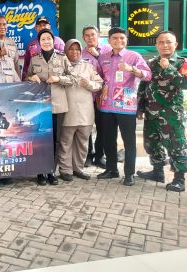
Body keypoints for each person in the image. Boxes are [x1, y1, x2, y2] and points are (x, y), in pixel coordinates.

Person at [136, 31, 187, 192]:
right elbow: (144, 85)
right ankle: (157, 172)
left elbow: (186, 84)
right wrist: (140, 107)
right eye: (161, 42)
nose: (165, 45)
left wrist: (169, 68)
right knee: (151, 143)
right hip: (151, 113)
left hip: (171, 115)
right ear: (156, 45)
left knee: (176, 145)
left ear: (176, 45)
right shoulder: (151, 62)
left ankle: (179, 179)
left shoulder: (182, 63)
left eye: (168, 42)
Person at [97, 27, 151, 186]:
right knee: (108, 139)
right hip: (107, 105)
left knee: (129, 141)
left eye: (122, 38)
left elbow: (148, 75)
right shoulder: (103, 57)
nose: (118, 41)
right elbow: (98, 76)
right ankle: (111, 169)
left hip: (126, 106)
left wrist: (132, 69)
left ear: (126, 40)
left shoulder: (134, 56)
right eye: (114, 38)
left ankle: (129, 174)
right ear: (109, 40)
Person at [26, 29, 74, 186]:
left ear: (53, 41)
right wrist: (31, 77)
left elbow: (73, 78)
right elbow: (27, 77)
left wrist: (59, 79)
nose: (46, 42)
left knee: (55, 140)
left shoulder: (62, 57)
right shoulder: (34, 59)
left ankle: (51, 171)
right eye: (43, 39)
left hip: (58, 105)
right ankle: (40, 171)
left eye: (49, 39)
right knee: (40, 139)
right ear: (39, 42)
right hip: (40, 105)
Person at [58, 39, 103, 181]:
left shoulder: (88, 66)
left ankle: (78, 168)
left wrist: (88, 83)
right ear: (66, 51)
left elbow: (99, 84)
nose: (74, 52)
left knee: (82, 142)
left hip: (85, 111)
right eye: (71, 49)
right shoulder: (60, 66)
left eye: (77, 49)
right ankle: (65, 169)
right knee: (66, 142)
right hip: (67, 110)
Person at [81, 25, 112, 168]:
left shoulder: (108, 50)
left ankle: (100, 156)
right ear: (83, 38)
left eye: (92, 34)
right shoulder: (81, 53)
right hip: (87, 96)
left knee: (102, 127)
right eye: (87, 35)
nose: (90, 37)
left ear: (98, 35)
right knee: (86, 127)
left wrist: (98, 56)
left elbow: (111, 70)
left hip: (103, 96)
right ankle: (88, 154)